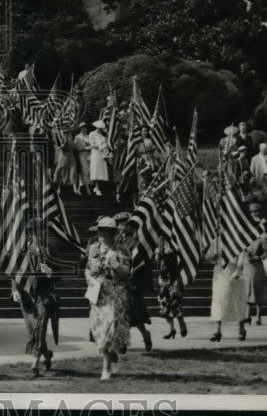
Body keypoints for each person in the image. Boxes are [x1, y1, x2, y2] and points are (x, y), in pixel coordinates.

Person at [84, 216, 131, 380]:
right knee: (100, 331)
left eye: (107, 232)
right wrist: (89, 278)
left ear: (113, 233)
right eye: (101, 231)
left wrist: (116, 265)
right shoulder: (93, 249)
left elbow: (126, 273)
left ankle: (106, 368)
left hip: (115, 294)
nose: (103, 234)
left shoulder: (121, 250)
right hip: (98, 294)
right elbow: (88, 268)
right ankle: (112, 358)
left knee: (110, 329)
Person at [11, 227, 59, 378]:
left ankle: (34, 366)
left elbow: (60, 272)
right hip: (26, 295)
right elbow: (14, 271)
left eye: (38, 231)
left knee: (40, 328)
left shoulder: (49, 249)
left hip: (44, 294)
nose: (35, 235)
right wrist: (14, 289)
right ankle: (46, 354)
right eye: (31, 232)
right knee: (33, 330)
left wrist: (50, 272)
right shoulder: (20, 249)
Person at [116, 213, 154, 351]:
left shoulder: (135, 242)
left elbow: (140, 264)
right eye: (119, 223)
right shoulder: (117, 242)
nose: (121, 226)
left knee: (137, 318)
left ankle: (146, 335)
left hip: (132, 284)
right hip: (119, 282)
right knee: (121, 314)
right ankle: (123, 342)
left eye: (124, 223)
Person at [206, 236, 248, 341]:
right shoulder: (216, 241)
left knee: (237, 301)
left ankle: (241, 329)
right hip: (219, 272)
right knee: (218, 301)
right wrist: (213, 255)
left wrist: (238, 271)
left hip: (233, 271)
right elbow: (207, 258)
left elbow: (242, 256)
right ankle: (217, 331)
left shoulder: (237, 237)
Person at [155, 241, 187, 340]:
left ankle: (181, 322)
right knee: (165, 306)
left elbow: (182, 259)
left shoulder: (176, 242)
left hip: (174, 278)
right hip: (163, 279)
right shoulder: (160, 244)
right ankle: (171, 329)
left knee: (175, 303)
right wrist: (158, 253)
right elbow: (157, 262)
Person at [87, 119, 112, 197]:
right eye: (99, 127)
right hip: (95, 153)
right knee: (96, 170)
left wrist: (105, 149)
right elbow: (92, 144)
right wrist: (100, 147)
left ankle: (97, 187)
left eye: (101, 128)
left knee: (101, 171)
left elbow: (105, 144)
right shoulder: (92, 134)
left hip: (101, 154)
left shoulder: (102, 136)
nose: (100, 129)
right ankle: (97, 188)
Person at [72, 123, 91, 195]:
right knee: (84, 171)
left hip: (89, 155)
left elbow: (91, 144)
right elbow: (75, 147)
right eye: (82, 128)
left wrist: (89, 147)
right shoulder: (77, 137)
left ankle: (79, 189)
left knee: (88, 171)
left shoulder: (88, 136)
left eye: (85, 128)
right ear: (80, 129)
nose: (84, 129)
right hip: (81, 155)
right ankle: (87, 189)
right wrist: (82, 148)